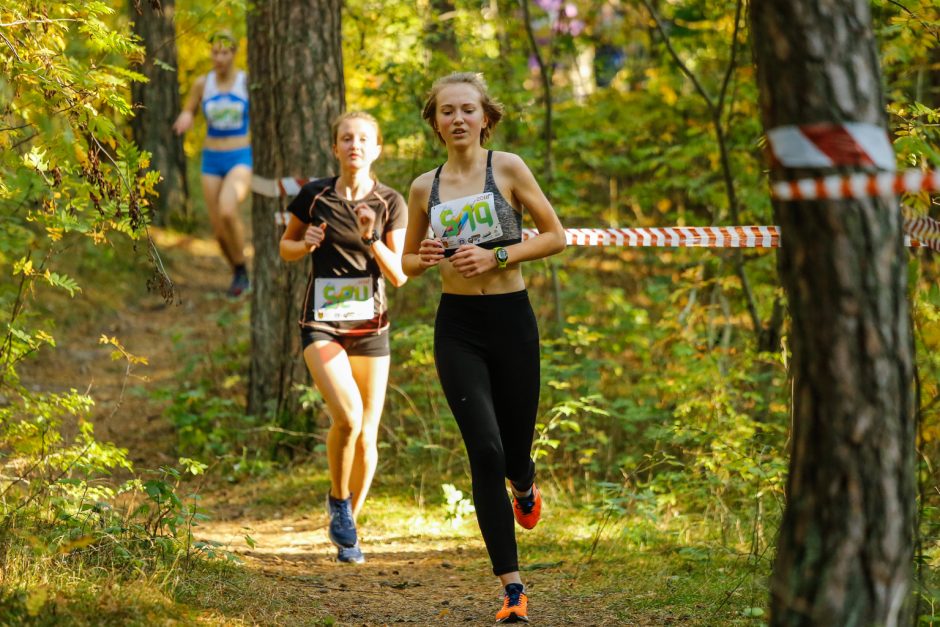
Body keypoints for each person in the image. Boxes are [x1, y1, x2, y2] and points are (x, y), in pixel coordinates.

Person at [402, 72, 566, 623]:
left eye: (467, 110)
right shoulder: (425, 186)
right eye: (446, 111)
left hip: (511, 321)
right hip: (458, 328)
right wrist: (423, 256)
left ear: (485, 118)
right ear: (435, 122)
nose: (457, 120)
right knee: (486, 450)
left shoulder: (509, 168)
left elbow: (555, 235)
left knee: (514, 452)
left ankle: (525, 483)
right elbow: (405, 261)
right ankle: (513, 590)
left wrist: (497, 257)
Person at [279, 111, 408, 564]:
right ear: (335, 148)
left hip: (371, 328)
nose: (354, 145)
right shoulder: (313, 195)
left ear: (376, 149)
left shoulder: (391, 200)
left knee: (368, 435)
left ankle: (347, 527)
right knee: (348, 418)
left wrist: (372, 238)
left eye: (363, 139)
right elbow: (285, 248)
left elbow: (399, 275)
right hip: (322, 323)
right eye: (346, 138)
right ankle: (338, 499)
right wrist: (308, 242)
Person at [172, 30, 252, 297]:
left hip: (240, 156)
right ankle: (238, 271)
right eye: (215, 52)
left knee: (228, 210)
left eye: (224, 52)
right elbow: (189, 107)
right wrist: (186, 118)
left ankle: (243, 271)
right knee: (218, 230)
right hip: (211, 158)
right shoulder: (202, 84)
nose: (219, 57)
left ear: (234, 53)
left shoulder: (245, 82)